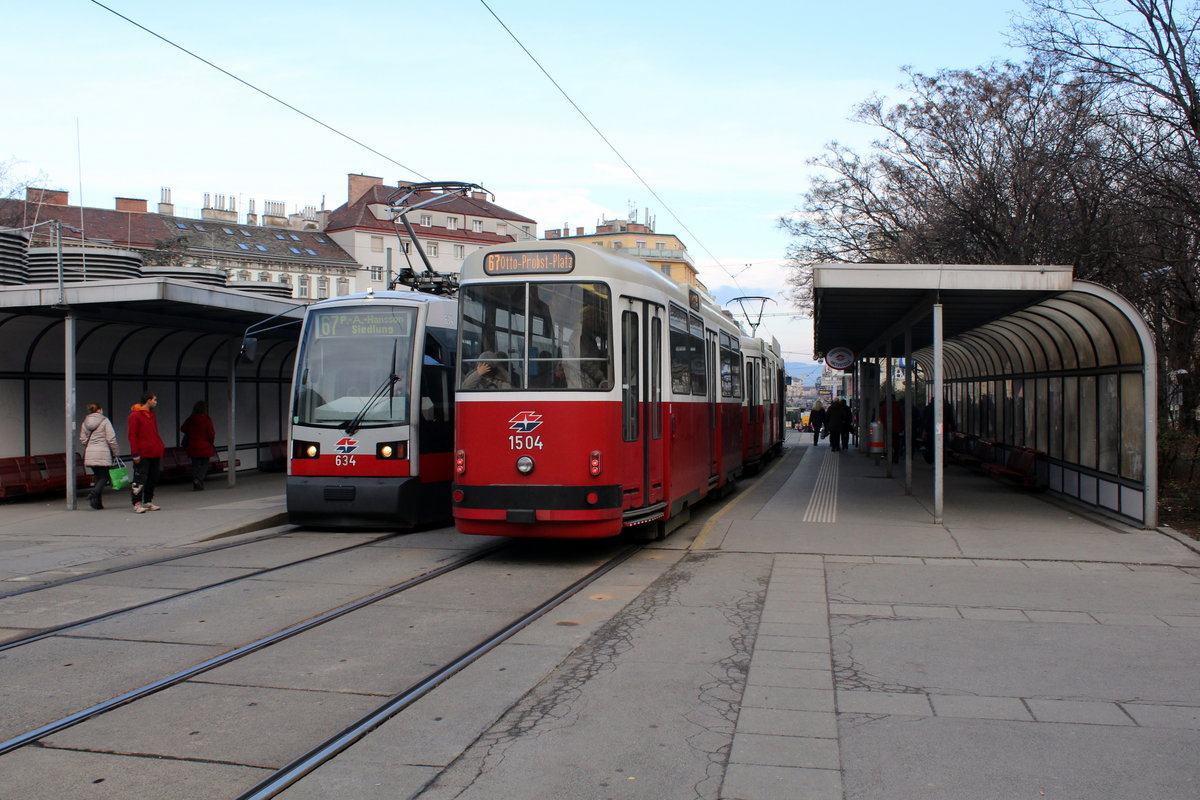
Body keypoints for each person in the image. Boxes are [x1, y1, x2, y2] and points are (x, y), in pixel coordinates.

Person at [127, 391, 165, 513]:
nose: (156, 402)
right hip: (143, 452)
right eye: (154, 400)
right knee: (139, 478)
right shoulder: (135, 416)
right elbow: (132, 435)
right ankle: (136, 502)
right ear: (148, 400)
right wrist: (135, 453)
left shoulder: (151, 415)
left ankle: (148, 500)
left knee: (152, 477)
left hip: (154, 451)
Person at [78, 403, 119, 510]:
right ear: (100, 410)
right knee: (105, 477)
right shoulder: (105, 421)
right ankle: (93, 493)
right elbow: (111, 438)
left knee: (98, 477)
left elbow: (82, 439)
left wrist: (91, 445)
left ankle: (97, 503)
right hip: (102, 452)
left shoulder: (85, 422)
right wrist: (116, 452)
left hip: (90, 452)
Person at [180, 400, 216, 491]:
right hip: (205, 446)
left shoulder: (190, 419)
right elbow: (211, 433)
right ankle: (199, 479)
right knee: (205, 464)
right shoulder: (207, 419)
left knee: (195, 465)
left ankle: (196, 482)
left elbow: (183, 428)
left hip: (193, 446)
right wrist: (210, 442)